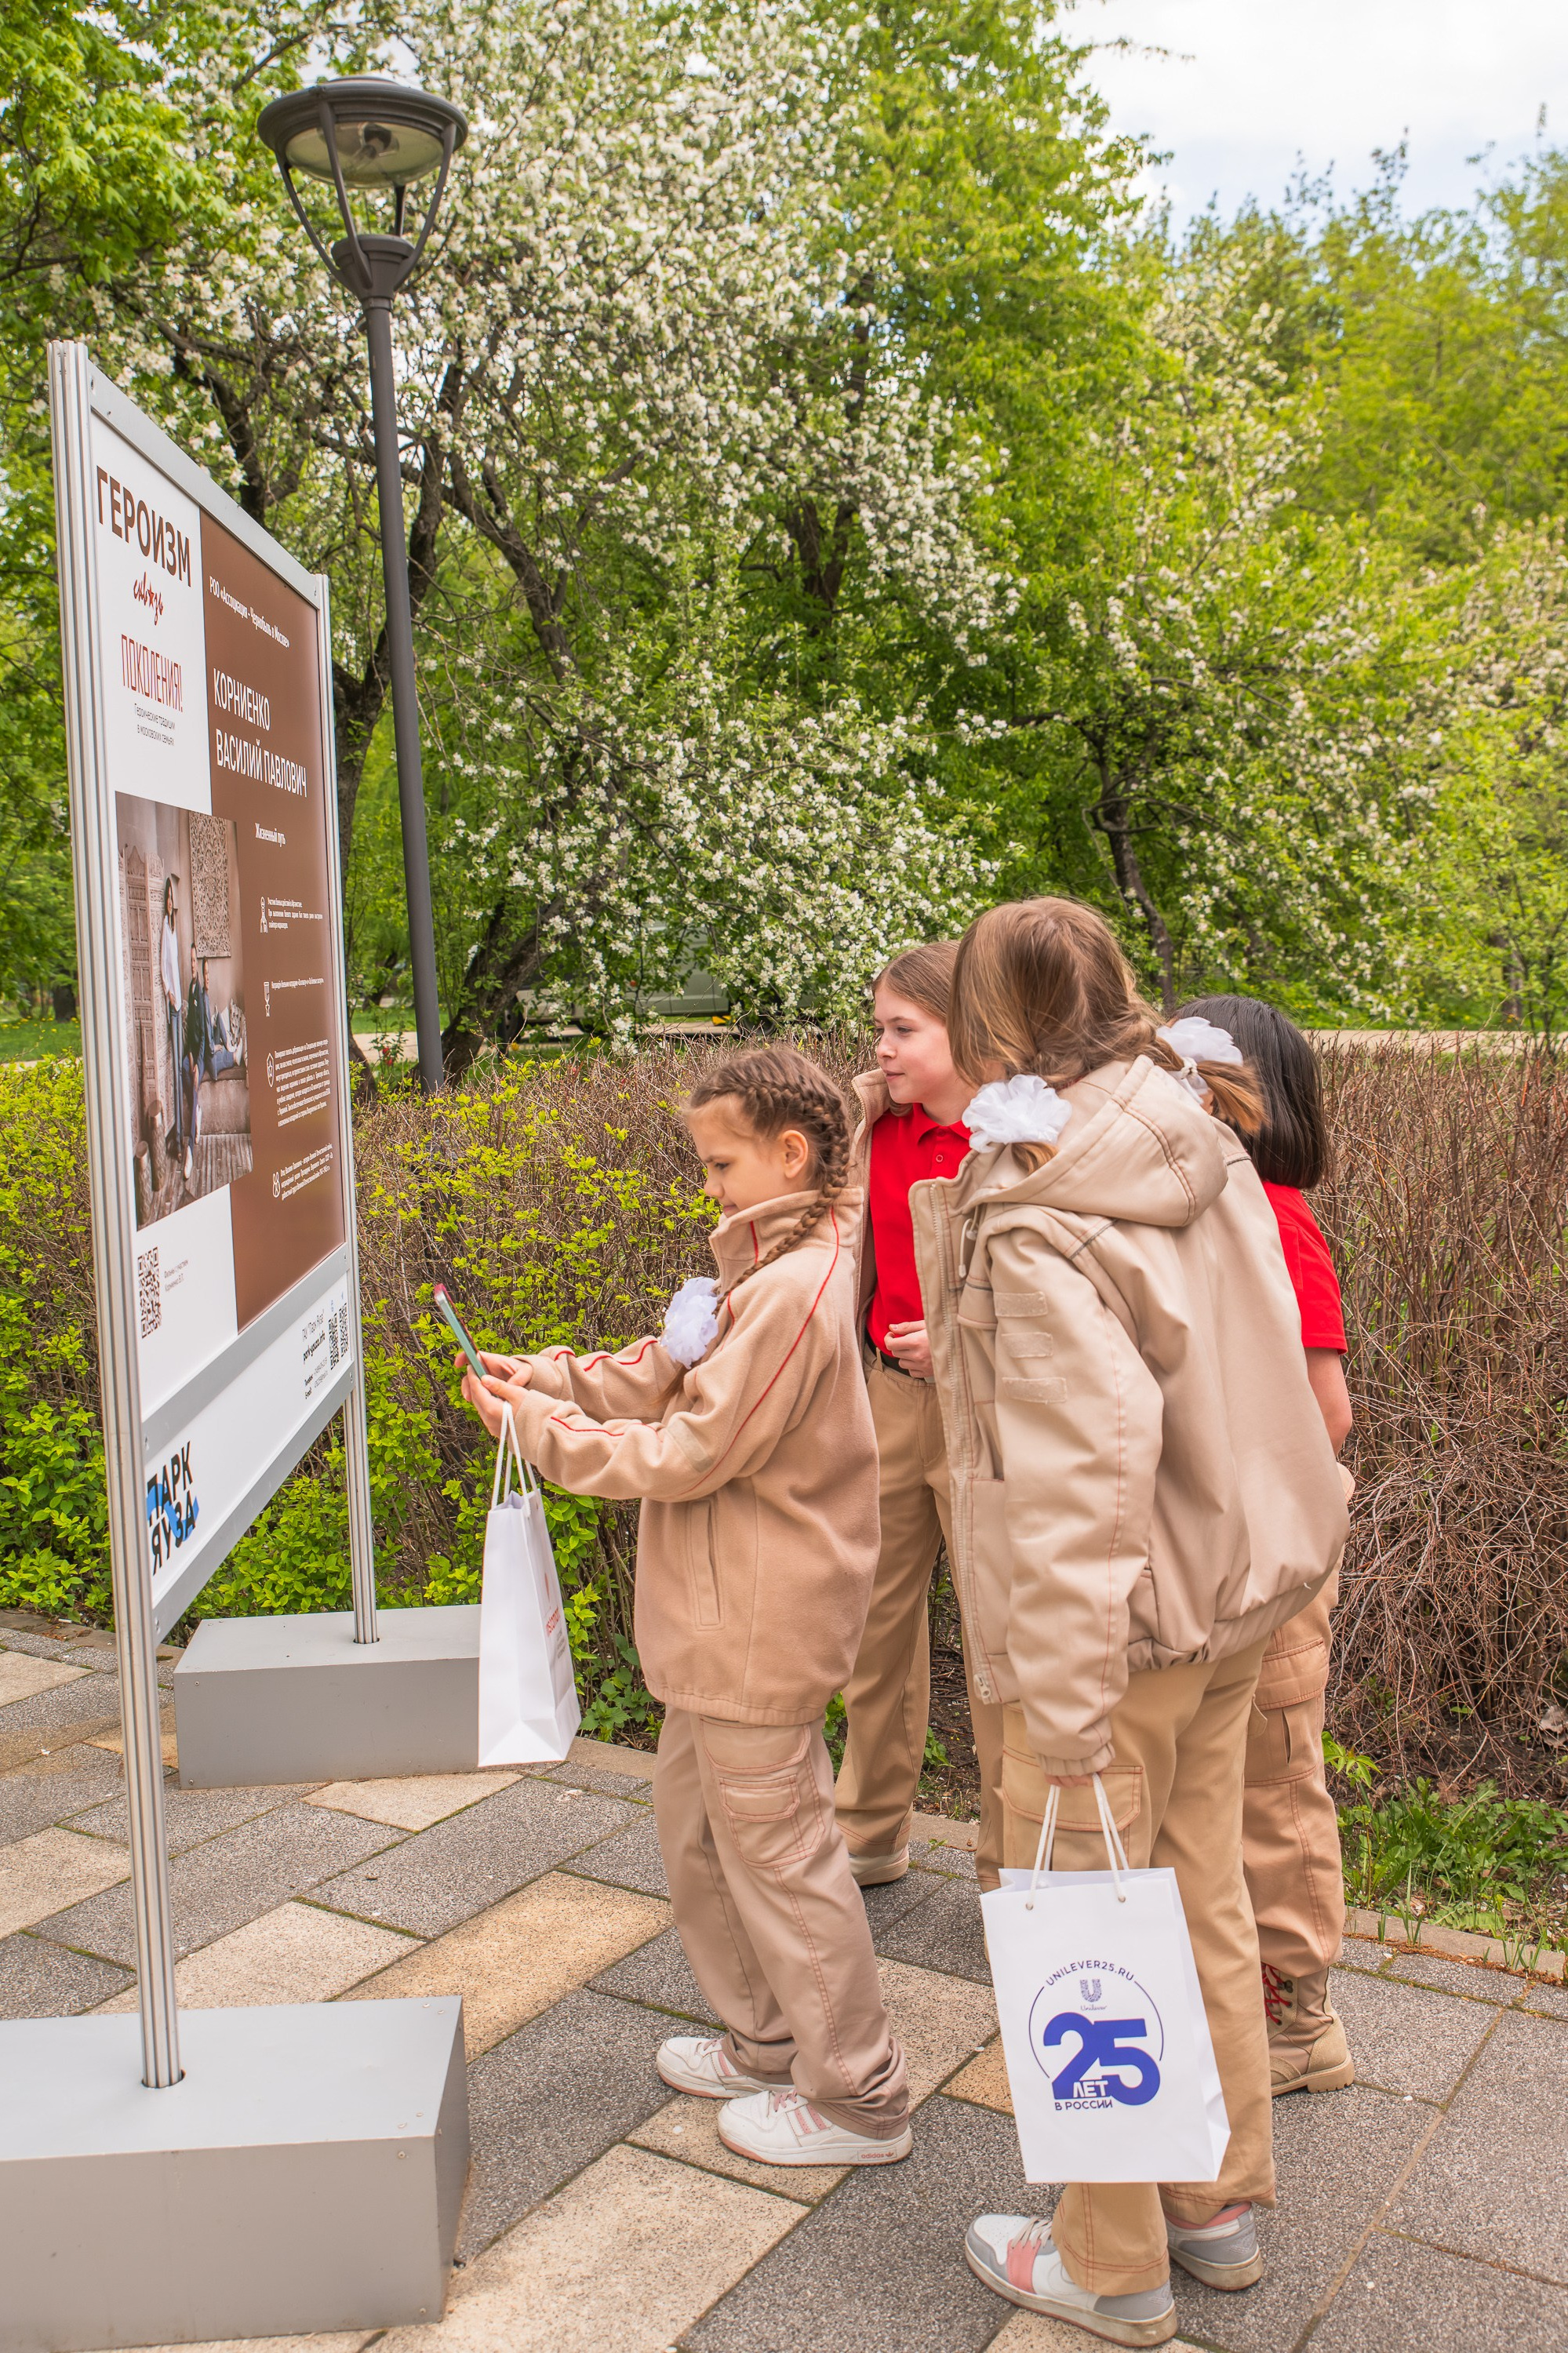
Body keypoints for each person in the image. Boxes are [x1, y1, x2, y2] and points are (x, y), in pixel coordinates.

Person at [915, 900, 1348, 2348]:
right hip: (1231, 1592)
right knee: (1198, 1892)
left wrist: (1061, 1689)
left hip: (1119, 1620)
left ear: (995, 1020)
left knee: (1083, 1927)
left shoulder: (1036, 1195)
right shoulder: (1190, 1124)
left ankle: (1106, 2261)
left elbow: (1078, 1466)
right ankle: (1211, 2205)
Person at [459, 1045, 912, 2169]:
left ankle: (859, 2096)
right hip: (718, 1624)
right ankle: (768, 2039)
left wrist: (538, 1432)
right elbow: (665, 1370)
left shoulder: (793, 1289)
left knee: (782, 1855)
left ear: (788, 1154)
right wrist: (546, 1378)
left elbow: (692, 1446)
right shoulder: (762, 1265)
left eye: (717, 1163)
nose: (702, 1185)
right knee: (702, 1834)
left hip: (759, 1622)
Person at [1180, 993, 1355, 2099]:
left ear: (1250, 1099)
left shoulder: (1274, 1216)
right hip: (1226, 1547)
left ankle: (1299, 2021)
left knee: (1275, 1775)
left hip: (1276, 1552)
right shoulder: (1206, 1208)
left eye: (1189, 1079)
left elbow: (1324, 1413)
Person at [835, 944, 1005, 1889]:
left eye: (904, 1030)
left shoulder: (1019, 1138)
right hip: (887, 1404)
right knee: (871, 1627)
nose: (884, 1049)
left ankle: (1011, 1857)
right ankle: (866, 1833)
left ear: (967, 1029)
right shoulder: (866, 1127)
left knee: (999, 1643)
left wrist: (962, 1342)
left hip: (989, 1415)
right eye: (879, 1029)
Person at [159, 877, 184, 1162]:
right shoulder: (165, 929)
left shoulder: (174, 929)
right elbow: (162, 966)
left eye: (170, 896)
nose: (168, 901)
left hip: (178, 1007)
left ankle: (179, 1137)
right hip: (172, 1007)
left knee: (179, 1068)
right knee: (176, 1070)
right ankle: (176, 1140)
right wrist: (169, 994)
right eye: (166, 896)